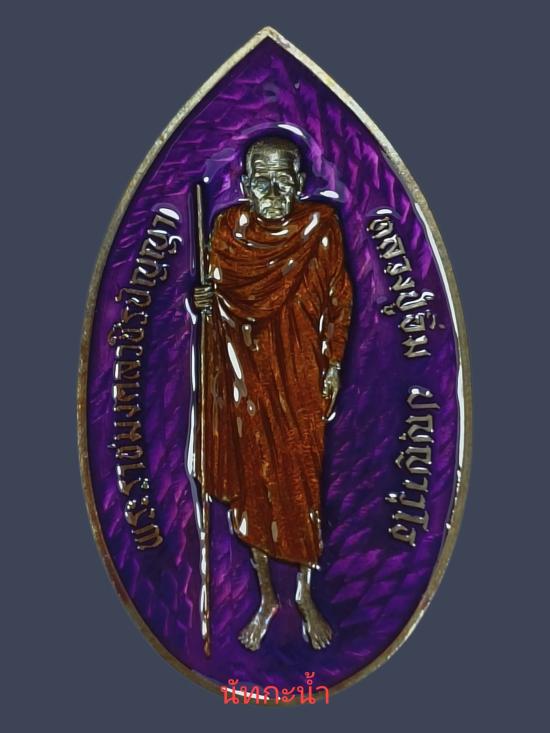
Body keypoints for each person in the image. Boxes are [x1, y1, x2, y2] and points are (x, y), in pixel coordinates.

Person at [194, 136, 353, 650]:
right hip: (244, 376)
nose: (272, 188)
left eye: (283, 177)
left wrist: (333, 365)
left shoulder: (320, 226)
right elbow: (217, 300)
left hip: (301, 377)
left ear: (300, 183)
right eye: (260, 178)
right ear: (244, 184)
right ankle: (266, 598)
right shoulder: (227, 228)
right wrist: (202, 301)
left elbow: (339, 299)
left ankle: (304, 594)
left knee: (300, 485)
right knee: (254, 486)